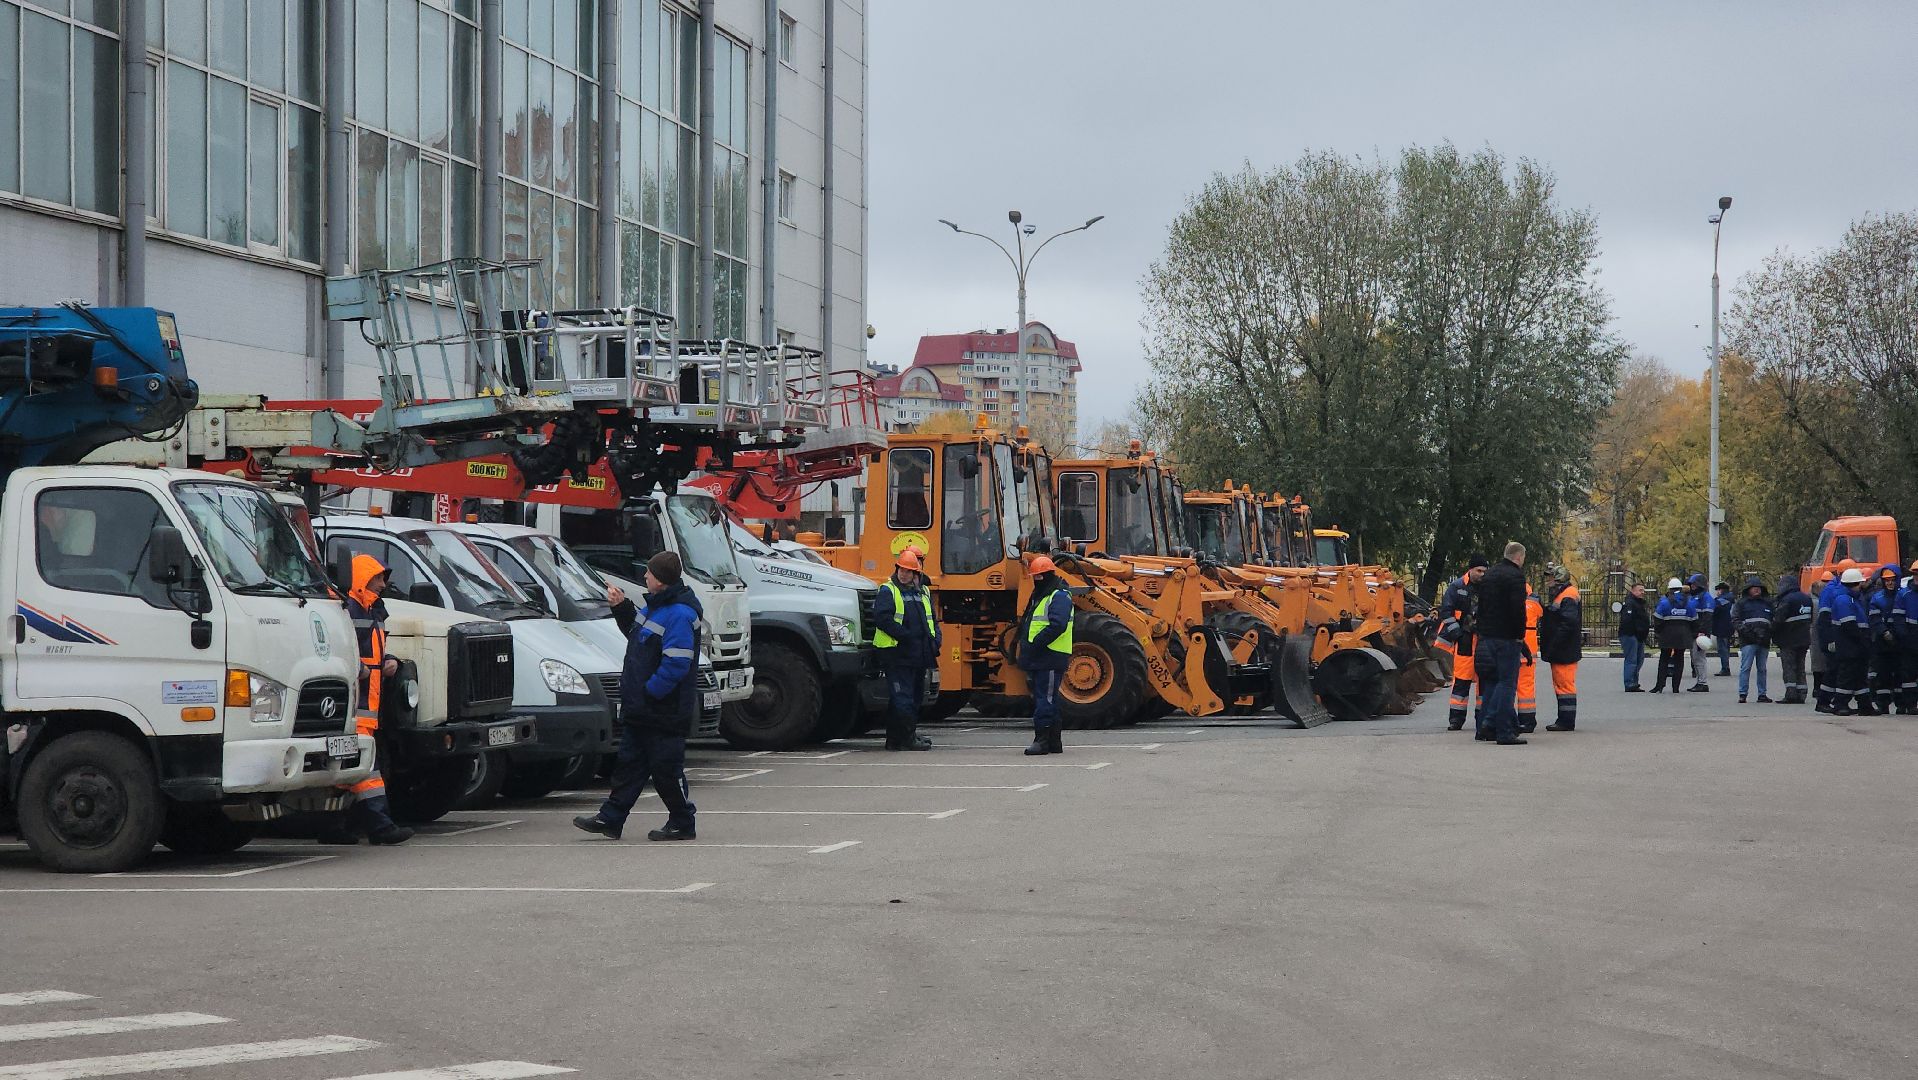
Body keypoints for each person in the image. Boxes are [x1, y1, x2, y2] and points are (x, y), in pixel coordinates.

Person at [574, 551, 701, 841]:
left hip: (663, 709)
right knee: (629, 765)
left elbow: (677, 664)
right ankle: (611, 819)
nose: (645, 577)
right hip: (643, 707)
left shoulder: (680, 614)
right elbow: (636, 635)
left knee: (666, 770)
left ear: (661, 580)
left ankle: (683, 822)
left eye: (649, 573)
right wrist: (621, 608)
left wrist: (649, 692)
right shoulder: (656, 607)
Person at [327, 555, 414, 846]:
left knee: (345, 768)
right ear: (363, 579)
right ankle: (380, 826)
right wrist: (360, 668)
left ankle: (335, 826)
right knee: (367, 767)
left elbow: (374, 651)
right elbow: (341, 648)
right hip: (356, 702)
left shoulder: (371, 609)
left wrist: (390, 660)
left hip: (365, 701)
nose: (383, 583)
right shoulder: (350, 608)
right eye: (378, 577)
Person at [871, 547, 939, 751]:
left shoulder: (921, 592)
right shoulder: (888, 590)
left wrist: (935, 642)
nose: (904, 573)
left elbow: (931, 620)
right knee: (904, 698)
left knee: (913, 697)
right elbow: (882, 620)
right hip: (897, 654)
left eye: (908, 570)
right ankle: (906, 738)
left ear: (915, 573)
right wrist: (907, 636)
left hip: (916, 654)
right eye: (901, 569)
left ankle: (897, 739)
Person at [1471, 542, 1530, 746]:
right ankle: (1503, 731)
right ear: (1518, 557)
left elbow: (1482, 607)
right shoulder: (1515, 577)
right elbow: (1517, 609)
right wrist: (1520, 635)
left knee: (1493, 683)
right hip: (1506, 638)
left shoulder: (1490, 575)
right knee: (1507, 683)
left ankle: (1485, 727)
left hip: (1487, 637)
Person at [1017, 556, 1073, 755]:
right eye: (1035, 576)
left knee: (1045, 699)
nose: (1036, 580)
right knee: (1048, 698)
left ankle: (1042, 741)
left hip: (1049, 655)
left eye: (1039, 576)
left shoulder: (1058, 595)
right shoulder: (1043, 594)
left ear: (1047, 575)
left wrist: (1036, 643)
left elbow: (1057, 625)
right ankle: (1053, 742)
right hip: (1042, 656)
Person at [1437, 556, 1488, 732]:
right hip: (1464, 639)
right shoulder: (1457, 586)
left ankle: (1482, 720)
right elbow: (1446, 610)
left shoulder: (1488, 588)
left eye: (1484, 571)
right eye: (1479, 571)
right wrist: (1457, 634)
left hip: (1482, 640)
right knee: (1461, 680)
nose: (1482, 574)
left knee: (1483, 681)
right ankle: (1456, 720)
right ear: (1470, 570)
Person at [1823, 567, 1872, 716]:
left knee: (1859, 676)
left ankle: (1865, 705)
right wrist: (1863, 640)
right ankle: (1840, 704)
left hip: (1854, 644)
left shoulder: (1851, 598)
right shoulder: (1844, 600)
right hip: (1849, 645)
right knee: (1847, 676)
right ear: (1855, 584)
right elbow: (1849, 625)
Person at [1539, 566, 1582, 731]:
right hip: (1564, 648)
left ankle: (1566, 721)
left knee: (1565, 686)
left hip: (1565, 649)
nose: (1548, 580)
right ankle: (1564, 719)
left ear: (1558, 579)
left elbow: (1568, 623)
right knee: (1562, 685)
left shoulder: (1568, 595)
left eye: (1550, 577)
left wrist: (1555, 642)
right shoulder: (1564, 594)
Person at [1866, 563, 1904, 715]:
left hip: (1900, 640)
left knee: (1901, 673)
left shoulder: (1903, 595)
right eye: (1887, 580)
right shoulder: (1877, 598)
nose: (1890, 583)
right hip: (1882, 642)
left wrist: (1900, 635)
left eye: (1892, 579)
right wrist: (1885, 633)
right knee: (1882, 674)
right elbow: (1874, 619)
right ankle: (1883, 704)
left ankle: (1902, 704)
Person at [1771, 573, 1814, 705]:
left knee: (1789, 667)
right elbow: (1810, 618)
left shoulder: (1787, 600)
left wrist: (1772, 632)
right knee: (1800, 667)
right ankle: (1802, 694)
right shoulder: (1806, 598)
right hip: (1804, 638)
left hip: (1788, 639)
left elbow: (1778, 620)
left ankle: (1791, 694)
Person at [1732, 575, 1774, 704]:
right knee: (1746, 667)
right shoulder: (1741, 603)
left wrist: (1767, 634)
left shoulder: (1767, 603)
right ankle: (1743, 694)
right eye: (1754, 588)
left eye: (1758, 588)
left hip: (1764, 641)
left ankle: (1762, 694)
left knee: (1762, 669)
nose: (1757, 590)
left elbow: (1773, 620)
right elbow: (1736, 620)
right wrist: (1748, 633)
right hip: (1748, 640)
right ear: (1748, 589)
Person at [1651, 578, 1694, 694]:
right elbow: (1694, 620)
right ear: (1680, 589)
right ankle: (1676, 687)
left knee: (1664, 659)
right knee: (1679, 660)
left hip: (1667, 634)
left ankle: (1659, 686)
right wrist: (1691, 634)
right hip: (1683, 635)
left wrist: (1658, 632)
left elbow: (1657, 618)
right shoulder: (1689, 602)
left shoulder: (1664, 602)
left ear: (1669, 589)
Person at [1515, 584, 1544, 733]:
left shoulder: (1507, 598)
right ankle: (1527, 720)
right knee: (1526, 685)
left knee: (1506, 684)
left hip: (1511, 643)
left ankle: (1505, 718)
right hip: (1529, 648)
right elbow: (1541, 614)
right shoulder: (1535, 601)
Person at [1809, 569, 1837, 708]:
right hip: (1823, 634)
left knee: (1819, 664)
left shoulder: (1815, 600)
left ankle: (1818, 689)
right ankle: (1822, 692)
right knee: (1825, 665)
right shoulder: (1826, 599)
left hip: (1817, 635)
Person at [1617, 581, 1651, 692]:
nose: (1642, 592)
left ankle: (1634, 682)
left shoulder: (1639, 603)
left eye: (1643, 590)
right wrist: (1636, 631)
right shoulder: (1630, 603)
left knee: (1639, 660)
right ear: (1633, 590)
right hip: (1630, 635)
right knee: (1631, 660)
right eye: (1640, 590)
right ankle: (1629, 683)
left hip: (1639, 636)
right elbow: (1627, 620)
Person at [1895, 563, 1918, 715]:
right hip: (1910, 638)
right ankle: (1910, 704)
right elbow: (1898, 618)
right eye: (1915, 574)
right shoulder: (1904, 594)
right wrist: (1904, 637)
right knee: (1909, 674)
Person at [1685, 574, 1713, 691]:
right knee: (1695, 657)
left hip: (1700, 633)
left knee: (1699, 658)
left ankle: (1702, 682)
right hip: (1693, 631)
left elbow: (1707, 617)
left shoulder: (1706, 597)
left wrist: (1703, 631)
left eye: (1695, 584)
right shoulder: (1693, 597)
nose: (1692, 586)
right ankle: (1700, 681)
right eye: (1691, 584)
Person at [1712, 582, 1735, 676]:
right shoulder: (1732, 599)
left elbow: (1714, 612)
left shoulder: (1720, 600)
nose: (1716, 592)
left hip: (1721, 626)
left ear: (1720, 590)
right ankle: (1726, 666)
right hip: (1730, 625)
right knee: (1726, 647)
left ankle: (1725, 668)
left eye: (1717, 590)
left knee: (1722, 648)